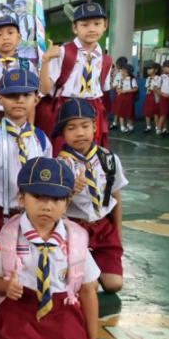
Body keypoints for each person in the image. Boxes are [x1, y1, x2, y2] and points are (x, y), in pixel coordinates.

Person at [0, 157, 106, 339]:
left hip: (61, 310)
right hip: (20, 307)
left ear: (67, 203)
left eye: (57, 199)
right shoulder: (9, 236)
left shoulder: (76, 240)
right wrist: (7, 287)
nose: (47, 206)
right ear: (21, 198)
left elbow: (88, 290)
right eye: (38, 197)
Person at [0, 69, 51, 266]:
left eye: (26, 95)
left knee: (26, 268)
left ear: (36, 99)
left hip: (31, 217)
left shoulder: (41, 139)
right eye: (12, 95)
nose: (19, 100)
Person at [55, 99, 127, 293]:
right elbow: (55, 210)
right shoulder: (60, 165)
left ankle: (95, 262)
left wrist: (118, 233)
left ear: (95, 127)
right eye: (71, 128)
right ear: (63, 133)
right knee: (89, 286)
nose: (80, 133)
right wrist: (70, 192)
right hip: (74, 228)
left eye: (85, 126)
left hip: (103, 228)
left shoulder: (109, 159)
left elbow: (116, 197)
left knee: (114, 284)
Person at [39, 2, 114, 147]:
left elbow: (104, 92)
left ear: (105, 26)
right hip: (66, 108)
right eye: (85, 25)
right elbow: (45, 89)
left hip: (92, 109)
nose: (91, 29)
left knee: (90, 151)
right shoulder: (63, 52)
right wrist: (46, 60)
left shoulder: (106, 59)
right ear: (75, 28)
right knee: (63, 149)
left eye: (97, 24)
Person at [0, 15, 43, 128]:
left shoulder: (26, 65)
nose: (5, 38)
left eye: (10, 33)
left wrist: (30, 125)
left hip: (21, 116)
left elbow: (32, 96)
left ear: (19, 37)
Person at [112, 62, 137, 134]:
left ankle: (129, 125)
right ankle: (122, 127)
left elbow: (135, 89)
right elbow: (118, 88)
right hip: (120, 99)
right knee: (121, 113)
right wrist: (118, 90)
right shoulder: (121, 80)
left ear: (128, 72)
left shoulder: (132, 80)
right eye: (121, 70)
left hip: (129, 99)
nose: (122, 72)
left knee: (129, 113)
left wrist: (126, 91)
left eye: (123, 71)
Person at [156, 59, 169, 136]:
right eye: (168, 67)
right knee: (163, 114)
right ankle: (158, 129)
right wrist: (162, 94)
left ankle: (164, 129)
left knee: (166, 114)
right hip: (163, 98)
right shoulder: (161, 77)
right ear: (163, 68)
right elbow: (156, 88)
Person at [142, 62, 161, 134]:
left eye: (150, 69)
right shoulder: (148, 78)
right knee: (147, 112)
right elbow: (147, 87)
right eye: (147, 69)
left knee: (156, 112)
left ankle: (157, 127)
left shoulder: (158, 78)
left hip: (155, 95)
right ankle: (148, 126)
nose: (148, 70)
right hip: (148, 95)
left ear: (156, 70)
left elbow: (157, 88)